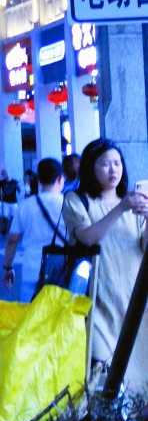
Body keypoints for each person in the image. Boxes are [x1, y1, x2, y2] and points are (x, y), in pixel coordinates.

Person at [63, 140, 148, 388]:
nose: (113, 170)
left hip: (133, 295)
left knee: (138, 363)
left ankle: (131, 419)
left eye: (117, 163)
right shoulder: (76, 200)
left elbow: (143, 247)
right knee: (102, 362)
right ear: (91, 167)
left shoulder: (133, 202)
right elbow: (89, 237)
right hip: (97, 295)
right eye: (105, 164)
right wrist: (121, 208)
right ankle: (100, 418)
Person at [2, 158, 66, 302]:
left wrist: (8, 268)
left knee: (30, 320)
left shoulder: (26, 205)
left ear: (38, 179)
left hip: (32, 272)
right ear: (61, 179)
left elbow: (12, 241)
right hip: (62, 272)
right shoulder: (69, 205)